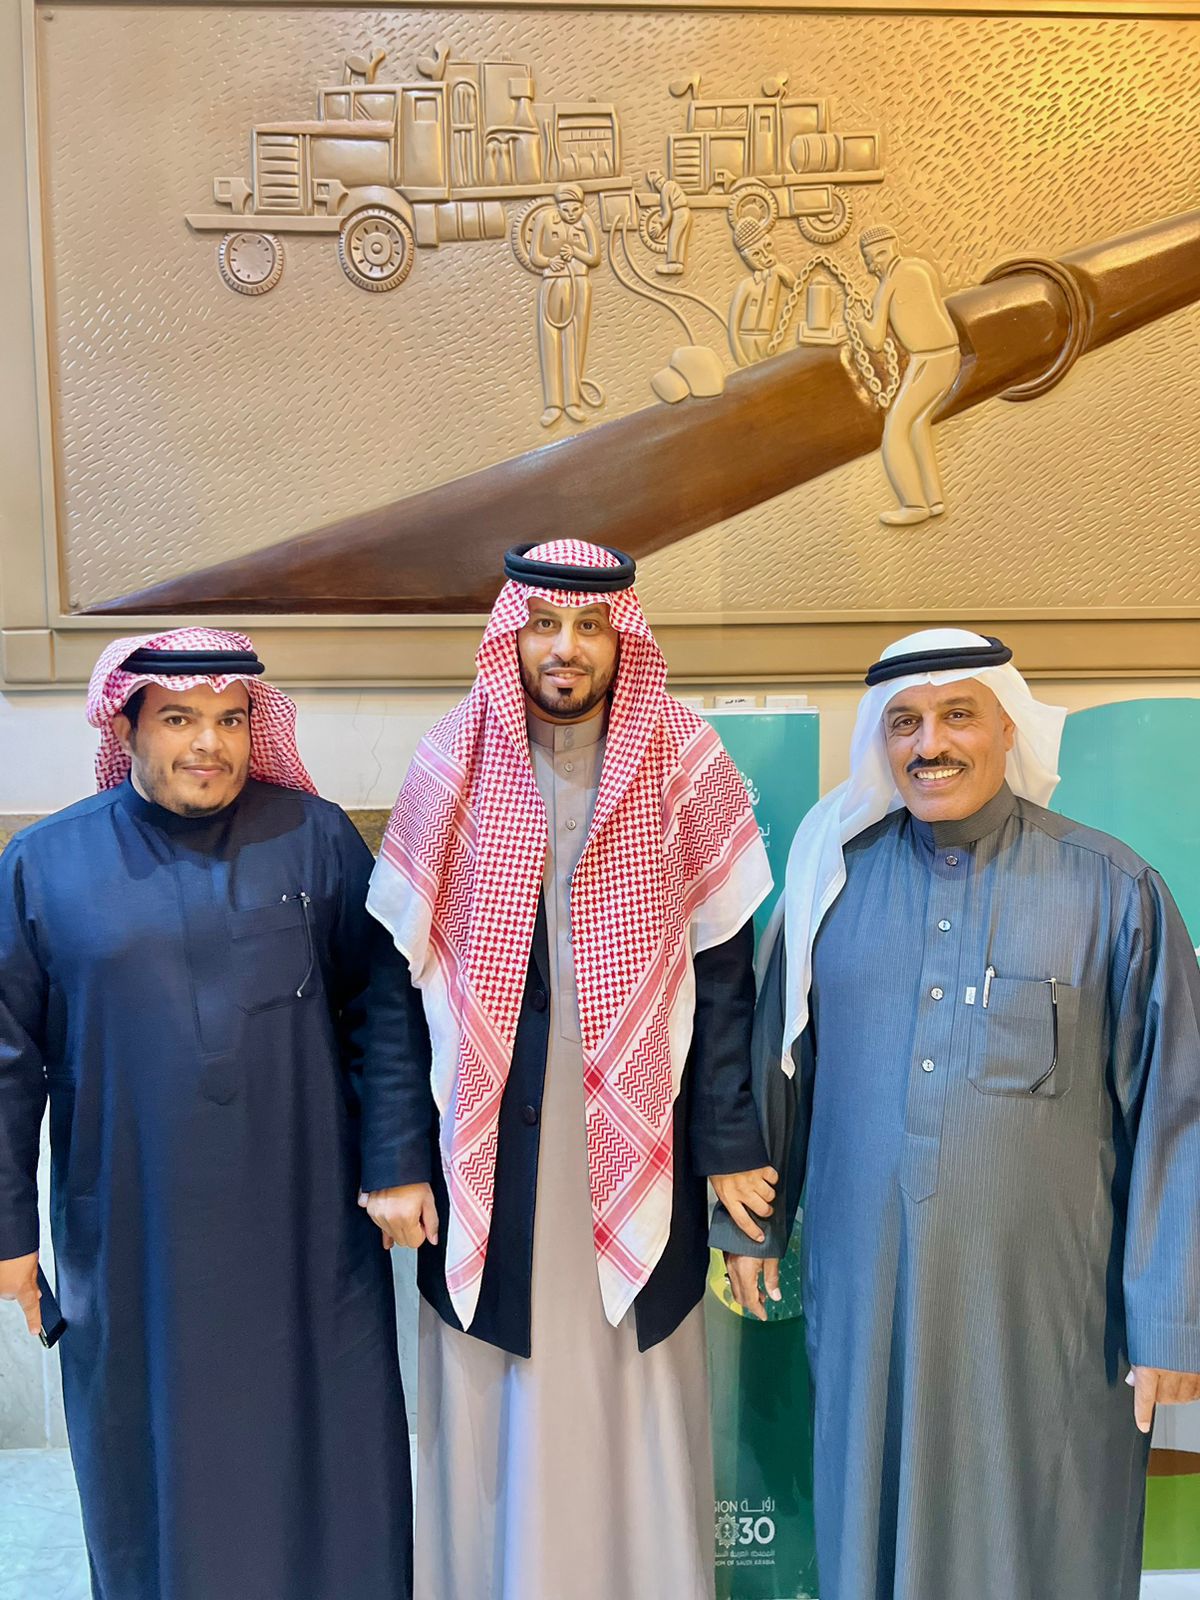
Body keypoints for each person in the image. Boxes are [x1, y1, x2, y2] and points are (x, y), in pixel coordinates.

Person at [721, 627, 1200, 1600]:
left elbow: (1176, 1112)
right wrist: (753, 1226)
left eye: (956, 715)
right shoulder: (833, 884)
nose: (929, 744)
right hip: (871, 1304)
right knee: (870, 1521)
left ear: (1007, 726)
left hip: (1050, 1319)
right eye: (904, 722)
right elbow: (781, 1062)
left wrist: (1170, 1320)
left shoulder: (1113, 890)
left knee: (1045, 1536)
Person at [360, 539, 775, 1600]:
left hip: (638, 1140)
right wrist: (397, 1157)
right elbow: (395, 981)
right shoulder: (453, 757)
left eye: (590, 625)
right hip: (490, 1143)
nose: (566, 647)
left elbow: (725, 978)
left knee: (633, 1385)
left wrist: (730, 1144)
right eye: (544, 623)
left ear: (622, 637)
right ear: (513, 635)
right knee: (497, 1385)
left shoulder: (684, 758)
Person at [0, 628, 412, 1600]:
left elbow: (383, 1005)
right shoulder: (43, 865)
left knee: (327, 1466)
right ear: (126, 726)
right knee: (153, 1474)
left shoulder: (315, 837)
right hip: (133, 1240)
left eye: (231, 721)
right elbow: (7, 1062)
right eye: (180, 719)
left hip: (305, 1231)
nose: (208, 744)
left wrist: (396, 1160)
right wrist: (11, 1235)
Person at [853, 225, 961, 527]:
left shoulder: (889, 284)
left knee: (895, 430)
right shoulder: (920, 268)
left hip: (928, 359)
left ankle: (913, 504)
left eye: (874, 257)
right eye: (868, 259)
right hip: (947, 355)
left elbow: (875, 341)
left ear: (889, 250)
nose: (871, 266)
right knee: (917, 425)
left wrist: (859, 321)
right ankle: (934, 499)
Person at [528, 185, 602, 427]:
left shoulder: (585, 221)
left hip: (579, 282)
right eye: (566, 209)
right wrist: (550, 261)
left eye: (576, 209)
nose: (571, 214)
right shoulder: (544, 219)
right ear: (558, 206)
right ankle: (553, 404)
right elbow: (535, 255)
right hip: (552, 282)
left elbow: (594, 257)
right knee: (550, 339)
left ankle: (572, 401)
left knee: (575, 340)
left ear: (582, 206)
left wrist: (576, 252)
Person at [727, 213, 799, 366]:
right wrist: (739, 357)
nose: (767, 257)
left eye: (768, 246)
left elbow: (795, 286)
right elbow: (734, 323)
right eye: (756, 254)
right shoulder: (746, 285)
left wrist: (783, 270)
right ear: (746, 258)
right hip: (746, 338)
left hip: (767, 337)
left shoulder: (776, 278)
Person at [646, 168, 693, 275]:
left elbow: (667, 213)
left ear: (658, 184)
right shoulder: (673, 184)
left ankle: (672, 264)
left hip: (678, 213)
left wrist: (660, 226)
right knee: (682, 238)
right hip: (686, 211)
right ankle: (679, 265)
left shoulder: (665, 189)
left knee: (673, 237)